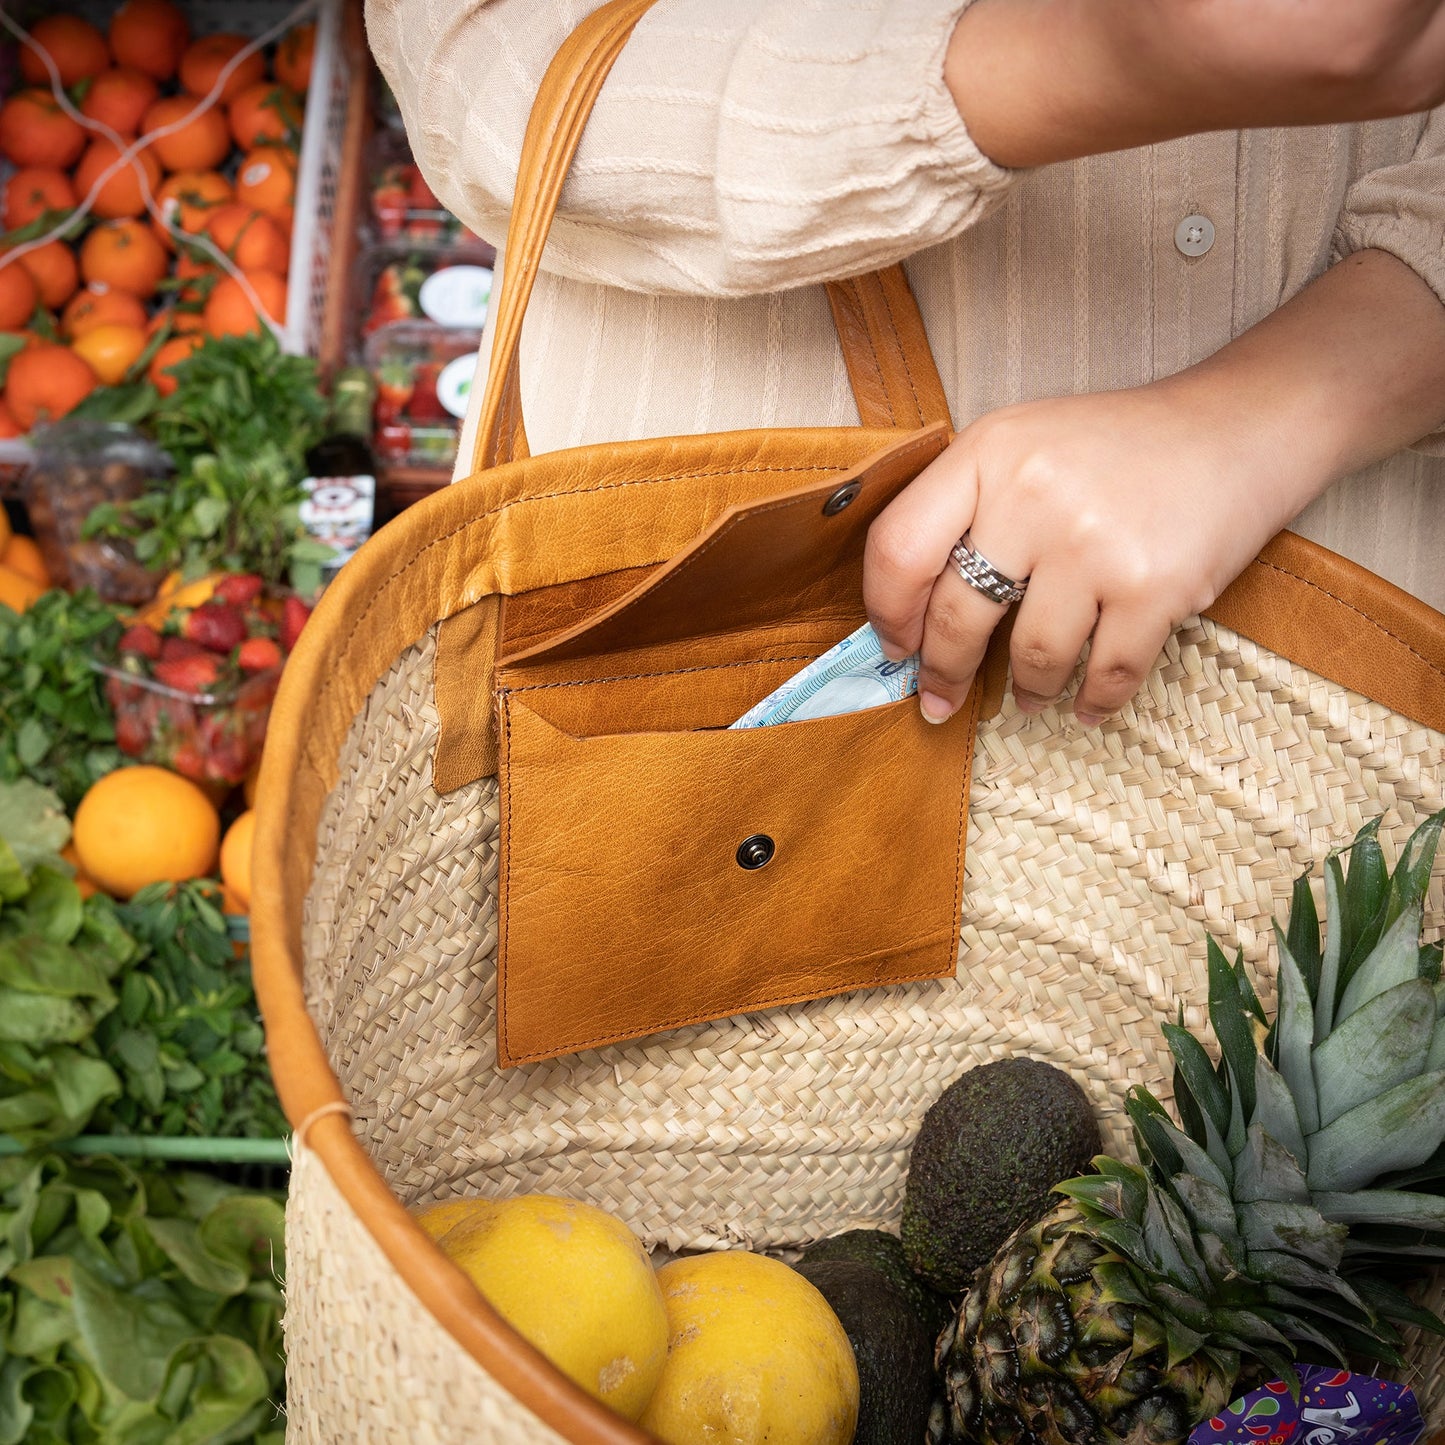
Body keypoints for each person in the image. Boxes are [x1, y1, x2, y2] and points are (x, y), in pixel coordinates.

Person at [367, 0, 1445, 728]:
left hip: (1345, 632)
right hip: (710, 615)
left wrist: (1273, 410)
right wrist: (1092, 59)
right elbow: (481, 57)